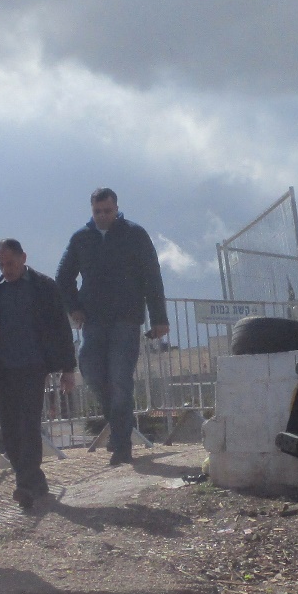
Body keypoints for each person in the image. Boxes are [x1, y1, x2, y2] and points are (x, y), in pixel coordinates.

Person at [55, 188, 169, 465]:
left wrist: (159, 319)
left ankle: (121, 443)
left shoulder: (135, 234)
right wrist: (74, 308)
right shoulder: (81, 238)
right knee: (92, 374)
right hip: (93, 321)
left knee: (120, 379)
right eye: (97, 211)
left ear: (116, 208)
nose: (103, 216)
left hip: (126, 320)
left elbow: (152, 276)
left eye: (108, 210)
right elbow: (63, 277)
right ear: (91, 210)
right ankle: (120, 426)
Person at [0, 239, 77, 510]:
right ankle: (32, 482)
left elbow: (61, 329)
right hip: (0, 369)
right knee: (10, 428)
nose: (6, 269)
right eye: (2, 264)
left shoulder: (44, 287)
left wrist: (68, 368)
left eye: (11, 263)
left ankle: (26, 485)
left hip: (32, 367)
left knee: (28, 425)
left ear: (23, 258)